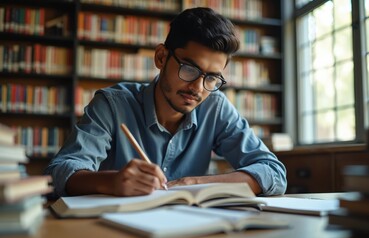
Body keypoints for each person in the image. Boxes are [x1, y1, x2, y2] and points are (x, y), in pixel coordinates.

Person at [45, 7, 287, 197]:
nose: (197, 88)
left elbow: (273, 172)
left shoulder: (215, 107)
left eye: (212, 77)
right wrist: (111, 181)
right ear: (161, 57)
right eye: (190, 69)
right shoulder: (112, 105)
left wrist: (192, 183)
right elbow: (60, 172)